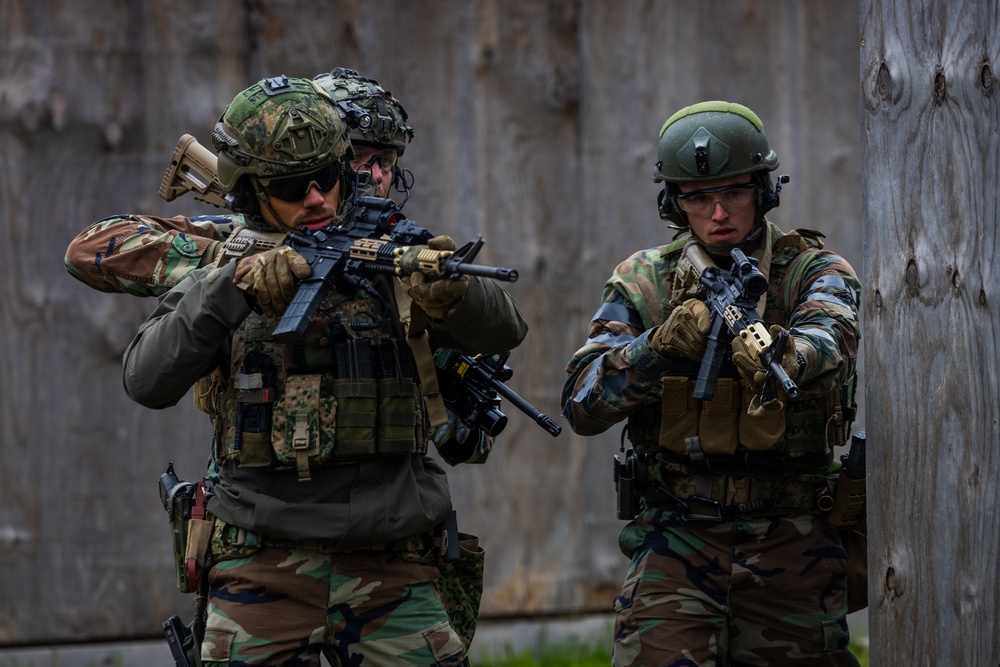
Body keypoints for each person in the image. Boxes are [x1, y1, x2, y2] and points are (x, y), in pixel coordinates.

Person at [119, 75, 527, 666]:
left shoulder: (390, 248)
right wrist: (230, 290)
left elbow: (506, 327)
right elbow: (145, 379)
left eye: (328, 179)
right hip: (261, 562)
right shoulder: (231, 260)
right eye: (291, 187)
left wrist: (451, 294)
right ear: (254, 192)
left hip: (392, 562)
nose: (316, 200)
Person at [561, 101, 861, 666]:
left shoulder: (812, 270)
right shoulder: (645, 279)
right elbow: (581, 402)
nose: (718, 213)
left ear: (765, 190)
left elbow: (831, 336)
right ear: (675, 203)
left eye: (735, 193)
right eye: (698, 198)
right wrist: (657, 349)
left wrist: (783, 355)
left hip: (790, 538)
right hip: (677, 536)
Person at [64, 67, 414, 297]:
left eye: (385, 160)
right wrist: (232, 264)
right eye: (357, 157)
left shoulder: (401, 250)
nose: (377, 175)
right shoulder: (239, 235)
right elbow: (87, 249)